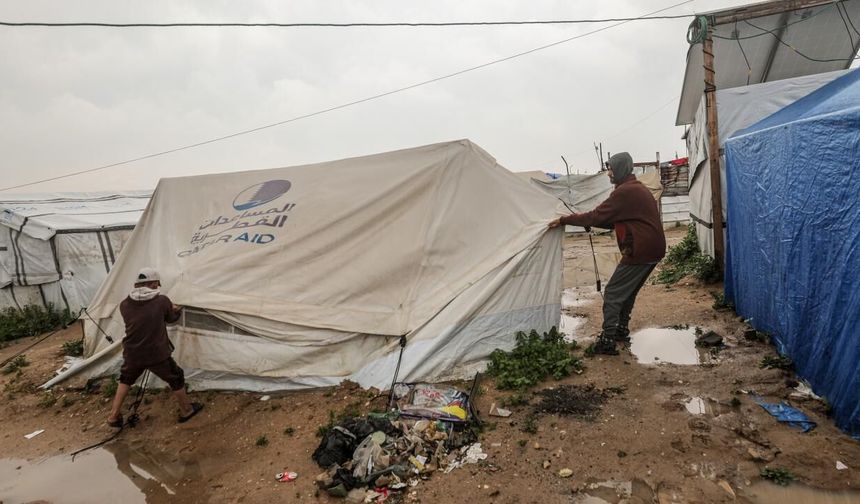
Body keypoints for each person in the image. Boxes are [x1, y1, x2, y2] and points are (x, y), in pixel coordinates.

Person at [548, 152, 666, 355]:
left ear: (620, 169)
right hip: (652, 248)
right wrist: (592, 223)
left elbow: (596, 215)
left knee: (612, 293)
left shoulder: (626, 192)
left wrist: (564, 220)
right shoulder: (635, 188)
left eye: (611, 169)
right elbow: (612, 220)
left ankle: (608, 341)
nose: (609, 173)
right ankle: (620, 330)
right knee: (626, 293)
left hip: (641, 250)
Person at [107, 267, 203, 427]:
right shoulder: (161, 301)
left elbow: (141, 319)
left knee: (126, 379)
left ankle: (113, 416)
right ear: (152, 284)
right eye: (157, 284)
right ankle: (186, 410)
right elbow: (171, 318)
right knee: (176, 376)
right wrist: (176, 310)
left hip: (132, 352)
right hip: (155, 353)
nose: (158, 287)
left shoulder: (124, 304)